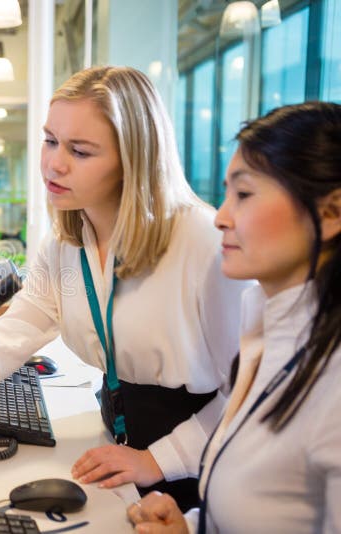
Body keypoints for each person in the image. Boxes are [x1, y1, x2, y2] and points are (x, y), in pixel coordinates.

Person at [0, 66, 249, 510]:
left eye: (80, 150)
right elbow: (2, 345)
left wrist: (159, 460)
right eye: (51, 140)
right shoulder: (65, 245)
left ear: (132, 160)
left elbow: (250, 392)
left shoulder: (203, 242)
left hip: (197, 462)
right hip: (119, 444)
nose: (54, 163)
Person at [126, 102, 341, 533]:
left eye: (243, 194)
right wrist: (193, 526)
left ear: (331, 211)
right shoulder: (274, 332)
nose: (221, 217)